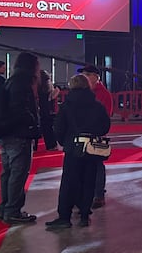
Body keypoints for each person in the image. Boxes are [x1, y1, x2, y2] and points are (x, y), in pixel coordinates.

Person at [45, 75, 111, 230]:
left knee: (69, 182)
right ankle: (84, 216)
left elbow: (59, 128)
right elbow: (105, 127)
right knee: (88, 181)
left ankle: (64, 217)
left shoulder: (67, 106)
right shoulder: (97, 105)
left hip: (73, 148)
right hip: (92, 148)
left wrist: (65, 142)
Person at [0, 52, 41, 225]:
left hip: (7, 134)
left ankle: (5, 209)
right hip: (19, 134)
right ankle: (13, 211)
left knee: (8, 173)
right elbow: (20, 109)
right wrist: (32, 122)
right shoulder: (22, 83)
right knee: (18, 173)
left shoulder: (10, 80)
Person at [78, 65, 112, 208]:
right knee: (81, 165)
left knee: (97, 165)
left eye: (86, 74)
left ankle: (99, 195)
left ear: (94, 77)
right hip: (81, 134)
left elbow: (106, 116)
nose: (83, 77)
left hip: (95, 134)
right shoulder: (82, 92)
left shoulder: (103, 94)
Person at [38, 70, 60, 151]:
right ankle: (51, 145)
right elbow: (51, 97)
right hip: (47, 109)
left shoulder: (38, 86)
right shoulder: (48, 86)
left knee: (45, 128)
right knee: (48, 128)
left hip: (40, 109)